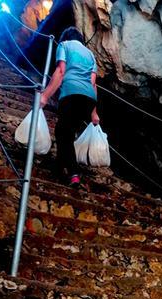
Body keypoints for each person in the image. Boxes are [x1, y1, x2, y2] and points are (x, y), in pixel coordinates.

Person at [39, 26, 100, 186]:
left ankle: (73, 173)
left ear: (66, 37)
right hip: (88, 99)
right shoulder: (91, 55)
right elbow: (93, 83)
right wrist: (94, 113)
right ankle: (58, 167)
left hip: (71, 93)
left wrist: (45, 95)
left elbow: (60, 71)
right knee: (66, 132)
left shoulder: (64, 45)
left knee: (63, 133)